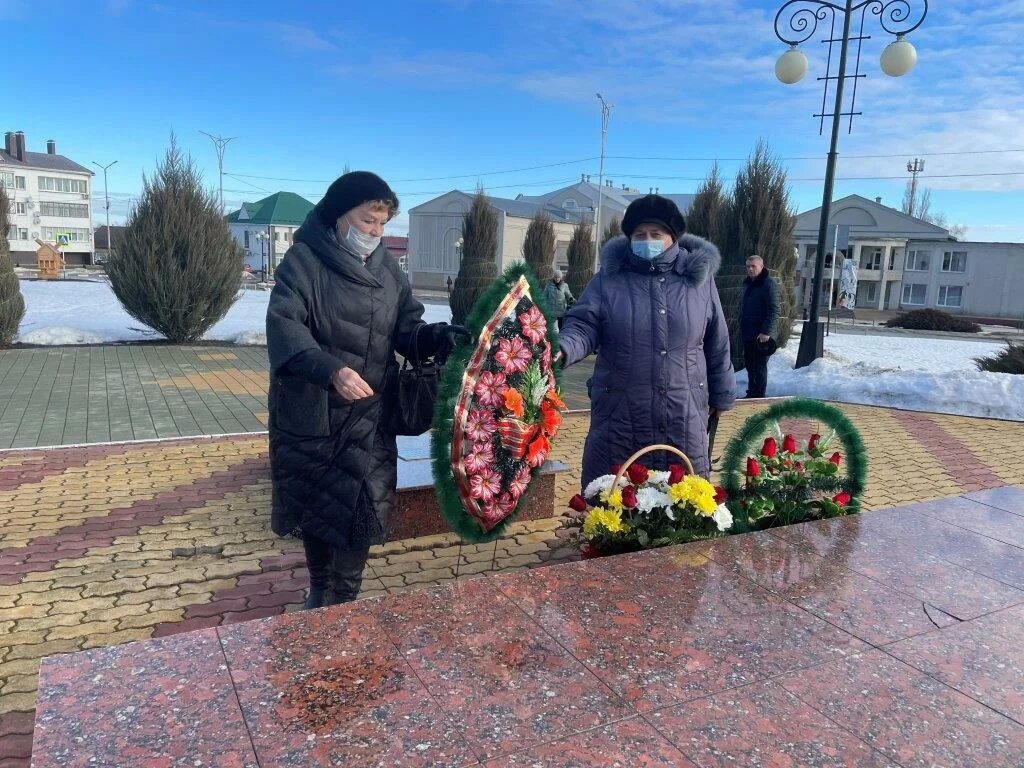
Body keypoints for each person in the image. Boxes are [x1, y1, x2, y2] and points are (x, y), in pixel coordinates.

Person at [266, 171, 469, 609]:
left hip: (371, 412)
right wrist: (330, 369)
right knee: (319, 510)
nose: (375, 233)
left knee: (362, 509)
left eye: (382, 223)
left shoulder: (387, 268)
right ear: (340, 216)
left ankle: (340, 602)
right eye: (367, 221)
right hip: (314, 412)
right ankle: (321, 593)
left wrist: (437, 337)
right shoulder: (303, 261)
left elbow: (406, 329)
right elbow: (285, 326)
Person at [558, 194, 735, 486]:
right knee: (615, 501)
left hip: (684, 409)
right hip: (621, 411)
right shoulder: (608, 280)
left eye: (657, 234)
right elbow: (583, 324)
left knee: (683, 501)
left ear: (673, 237)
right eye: (640, 235)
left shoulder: (698, 280)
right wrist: (562, 348)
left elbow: (718, 340)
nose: (647, 240)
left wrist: (721, 395)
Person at [739, 254, 780, 399]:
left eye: (753, 266)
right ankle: (752, 393)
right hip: (749, 333)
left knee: (759, 366)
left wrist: (766, 332)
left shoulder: (768, 284)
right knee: (750, 365)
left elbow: (774, 310)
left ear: (761, 266)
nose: (750, 269)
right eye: (748, 266)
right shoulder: (748, 283)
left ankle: (758, 396)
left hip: (762, 335)